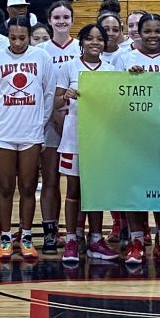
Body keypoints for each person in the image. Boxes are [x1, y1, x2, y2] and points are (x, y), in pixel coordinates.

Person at [0, 15, 56, 262]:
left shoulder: (42, 57)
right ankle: (5, 237)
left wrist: (39, 122)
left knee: (27, 187)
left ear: (29, 36)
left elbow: (48, 93)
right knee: (5, 187)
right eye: (13, 38)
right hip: (3, 133)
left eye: (22, 38)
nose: (17, 43)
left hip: (31, 132)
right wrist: (3, 118)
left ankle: (26, 237)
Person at [118, 13, 160, 267]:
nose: (153, 36)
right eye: (148, 31)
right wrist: (127, 79)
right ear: (139, 33)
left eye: (157, 31)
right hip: (134, 134)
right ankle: (136, 241)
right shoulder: (125, 58)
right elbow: (112, 94)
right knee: (134, 188)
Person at [54, 23, 117, 265]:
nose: (94, 42)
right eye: (89, 38)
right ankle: (72, 239)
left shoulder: (110, 70)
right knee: (73, 191)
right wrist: (65, 96)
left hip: (100, 139)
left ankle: (96, 239)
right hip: (73, 138)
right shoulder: (69, 67)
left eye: (99, 39)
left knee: (96, 191)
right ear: (81, 41)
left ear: (105, 43)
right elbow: (55, 103)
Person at [36, 1, 79, 253]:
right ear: (49, 20)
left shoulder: (81, 47)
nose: (61, 21)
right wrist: (54, 115)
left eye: (66, 17)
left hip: (77, 122)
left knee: (77, 183)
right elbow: (40, 88)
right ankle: (50, 231)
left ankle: (77, 233)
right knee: (50, 179)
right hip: (50, 122)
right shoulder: (41, 51)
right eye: (57, 17)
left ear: (72, 20)